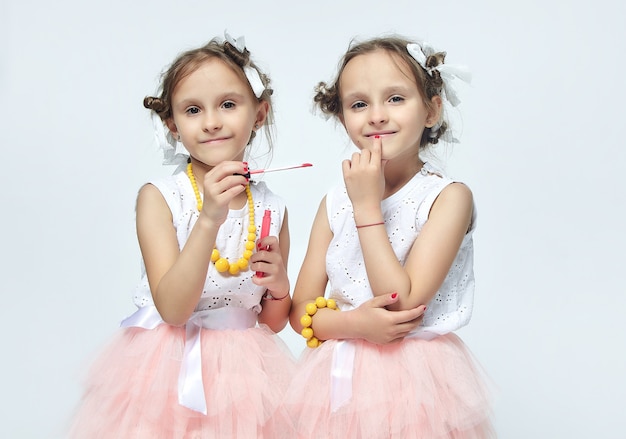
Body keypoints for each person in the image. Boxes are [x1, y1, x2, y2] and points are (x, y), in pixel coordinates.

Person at [67, 31, 296, 438]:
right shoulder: (161, 199)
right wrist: (209, 218)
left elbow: (273, 321)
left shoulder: (272, 207)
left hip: (246, 376)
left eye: (228, 104)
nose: (211, 122)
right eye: (193, 110)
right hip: (166, 369)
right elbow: (173, 309)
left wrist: (279, 286)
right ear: (172, 124)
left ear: (259, 114)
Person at [284, 35, 495, 438]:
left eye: (395, 98)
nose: (376, 115)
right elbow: (300, 311)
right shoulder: (334, 201)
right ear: (342, 116)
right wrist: (355, 325)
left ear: (432, 109)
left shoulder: (447, 198)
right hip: (335, 379)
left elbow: (402, 304)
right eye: (359, 104)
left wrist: (367, 207)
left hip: (417, 385)